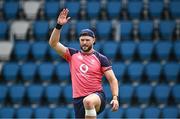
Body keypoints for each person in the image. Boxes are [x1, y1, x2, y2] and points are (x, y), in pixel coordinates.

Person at [49, 8, 119, 119]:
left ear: (93, 40)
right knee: (86, 103)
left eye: (87, 40)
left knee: (88, 101)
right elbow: (53, 43)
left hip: (97, 96)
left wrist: (115, 97)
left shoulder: (101, 58)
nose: (84, 43)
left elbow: (112, 79)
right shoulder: (72, 55)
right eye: (82, 40)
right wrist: (59, 25)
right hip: (78, 100)